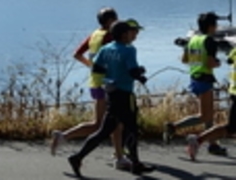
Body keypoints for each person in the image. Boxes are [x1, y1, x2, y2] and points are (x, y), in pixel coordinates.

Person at [68, 21, 155, 178]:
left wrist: (112, 73)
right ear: (124, 35)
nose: (131, 35)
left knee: (104, 130)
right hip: (125, 93)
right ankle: (135, 164)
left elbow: (97, 68)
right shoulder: (129, 50)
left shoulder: (106, 48)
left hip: (111, 92)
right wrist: (141, 74)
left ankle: (77, 157)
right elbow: (133, 71)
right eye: (129, 32)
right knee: (132, 128)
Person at [51, 8, 127, 170]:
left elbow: (77, 54)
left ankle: (63, 136)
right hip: (107, 84)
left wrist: (91, 66)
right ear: (109, 21)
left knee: (101, 124)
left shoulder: (94, 35)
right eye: (116, 19)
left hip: (95, 82)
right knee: (111, 124)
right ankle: (119, 158)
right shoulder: (109, 36)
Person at [163, 12, 227, 155]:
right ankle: (173, 127)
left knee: (209, 114)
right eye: (216, 25)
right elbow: (210, 63)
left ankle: (213, 144)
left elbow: (184, 60)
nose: (216, 27)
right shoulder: (209, 41)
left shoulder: (192, 39)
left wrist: (198, 62)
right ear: (211, 26)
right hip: (205, 78)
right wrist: (218, 63)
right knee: (204, 116)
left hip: (194, 77)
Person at [186, 44, 236, 160]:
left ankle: (198, 140)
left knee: (231, 128)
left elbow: (229, 60)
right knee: (231, 128)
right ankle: (198, 140)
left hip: (233, 91)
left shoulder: (234, 50)